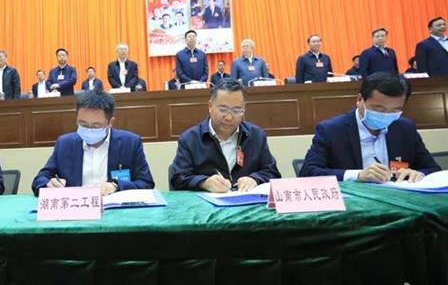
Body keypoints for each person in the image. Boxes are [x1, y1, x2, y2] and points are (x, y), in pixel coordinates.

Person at [300, 73, 440, 182]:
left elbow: (433, 169)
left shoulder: (405, 128)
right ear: (359, 100)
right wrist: (358, 175)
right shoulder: (331, 130)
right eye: (379, 108)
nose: (386, 115)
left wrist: (418, 174)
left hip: (399, 200)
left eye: (395, 110)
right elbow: (308, 173)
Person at [31, 90, 155, 196]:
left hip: (114, 211)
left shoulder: (130, 143)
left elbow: (146, 183)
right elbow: (40, 180)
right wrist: (48, 184)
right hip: (77, 210)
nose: (89, 130)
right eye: (83, 124)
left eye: (96, 126)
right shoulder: (65, 144)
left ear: (110, 122)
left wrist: (116, 186)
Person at [170, 78, 281, 192]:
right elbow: (178, 178)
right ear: (210, 106)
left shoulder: (256, 136)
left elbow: (272, 173)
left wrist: (255, 179)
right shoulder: (190, 139)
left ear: (244, 108)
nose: (229, 117)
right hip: (207, 202)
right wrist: (204, 182)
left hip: (246, 200)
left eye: (237, 110)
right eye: (223, 110)